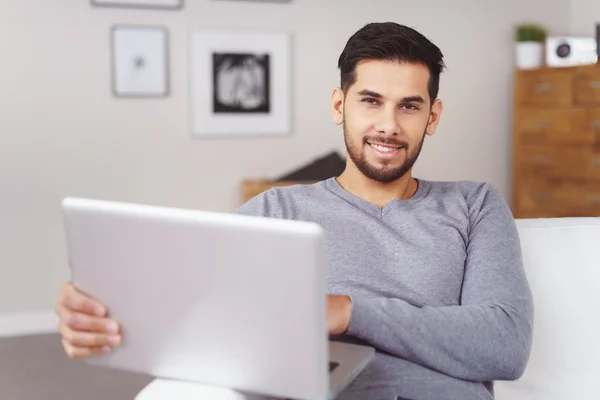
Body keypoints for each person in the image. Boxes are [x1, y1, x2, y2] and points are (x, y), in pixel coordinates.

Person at [55, 22, 533, 400]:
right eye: (371, 102)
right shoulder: (277, 209)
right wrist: (96, 314)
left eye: (409, 106)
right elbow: (185, 306)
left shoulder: (475, 205)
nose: (388, 126)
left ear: (432, 116)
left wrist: (348, 312)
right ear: (339, 105)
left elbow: (504, 344)